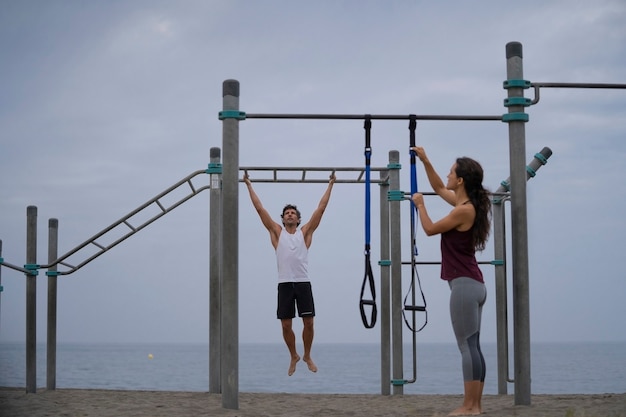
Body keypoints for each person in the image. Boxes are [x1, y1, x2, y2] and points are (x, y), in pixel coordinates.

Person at [410, 146, 491, 416]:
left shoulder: (462, 211)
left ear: (460, 180)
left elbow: (431, 229)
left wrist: (420, 205)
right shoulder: (465, 205)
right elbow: (437, 185)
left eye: (451, 172)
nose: (446, 175)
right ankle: (476, 406)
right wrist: (425, 160)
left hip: (465, 285)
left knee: (466, 346)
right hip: (473, 284)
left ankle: (469, 406)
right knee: (473, 346)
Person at [243, 172, 336, 376]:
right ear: (283, 219)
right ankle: (293, 355)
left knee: (309, 321)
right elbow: (260, 209)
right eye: (287, 213)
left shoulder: (305, 233)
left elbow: (321, 209)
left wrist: (331, 184)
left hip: (303, 283)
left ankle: (307, 355)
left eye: (293, 212)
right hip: (284, 284)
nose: (290, 214)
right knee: (286, 324)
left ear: (298, 218)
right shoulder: (277, 233)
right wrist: (248, 184)